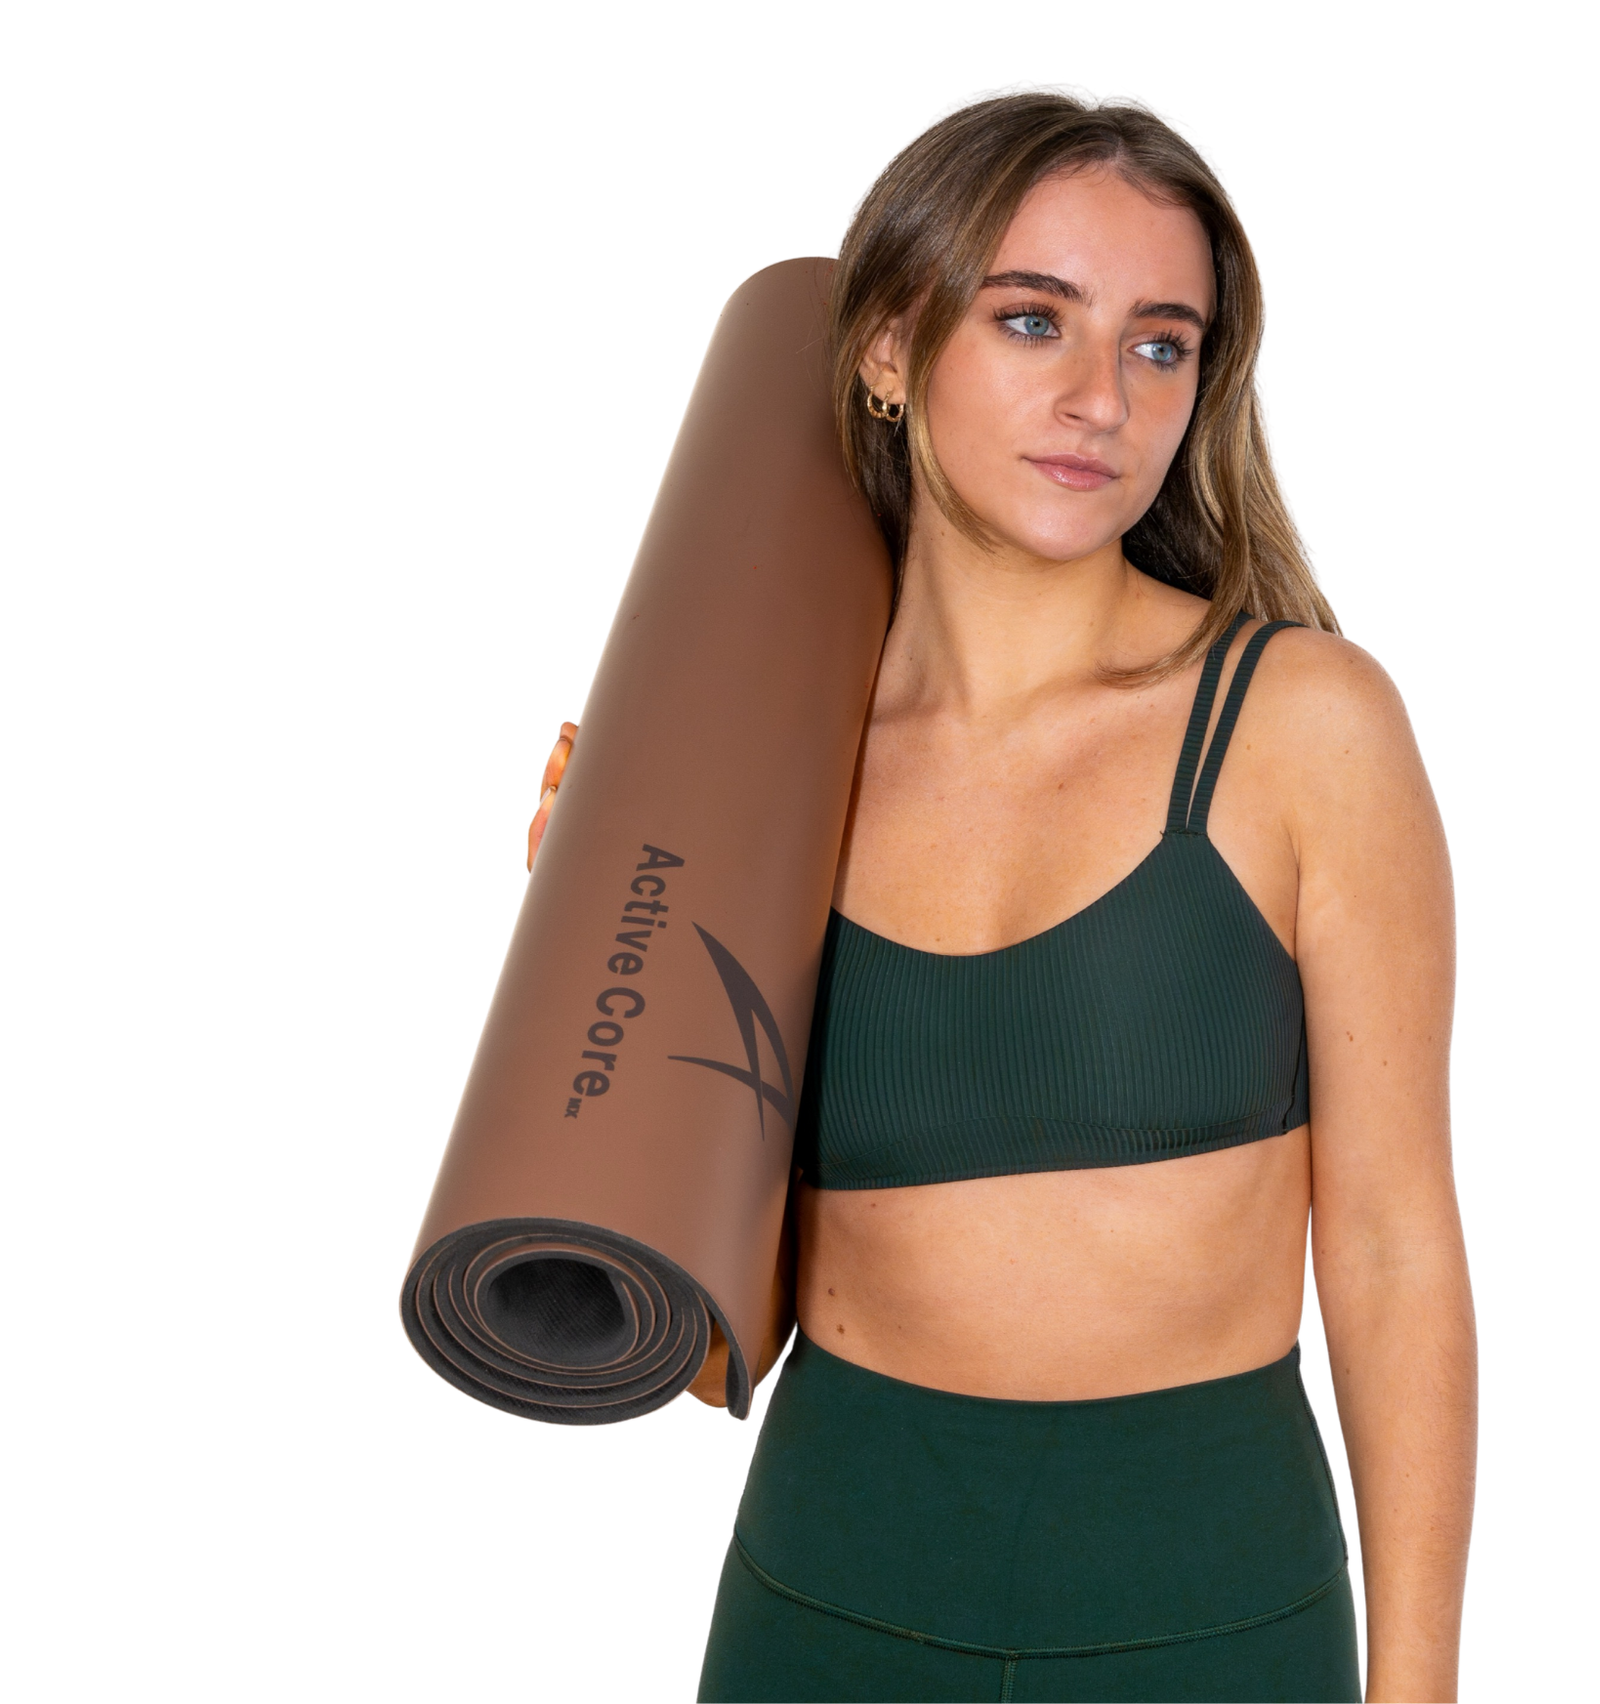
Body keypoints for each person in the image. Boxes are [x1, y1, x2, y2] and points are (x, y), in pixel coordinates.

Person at [540, 93, 1474, 1702]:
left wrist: (1422, 1690)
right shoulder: (772, 769)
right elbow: (718, 1352)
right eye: (1033, 319)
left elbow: (1394, 1252)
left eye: (1161, 344)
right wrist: (605, 931)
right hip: (827, 1594)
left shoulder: (1302, 726)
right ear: (887, 350)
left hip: (1210, 1616)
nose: (1102, 397)